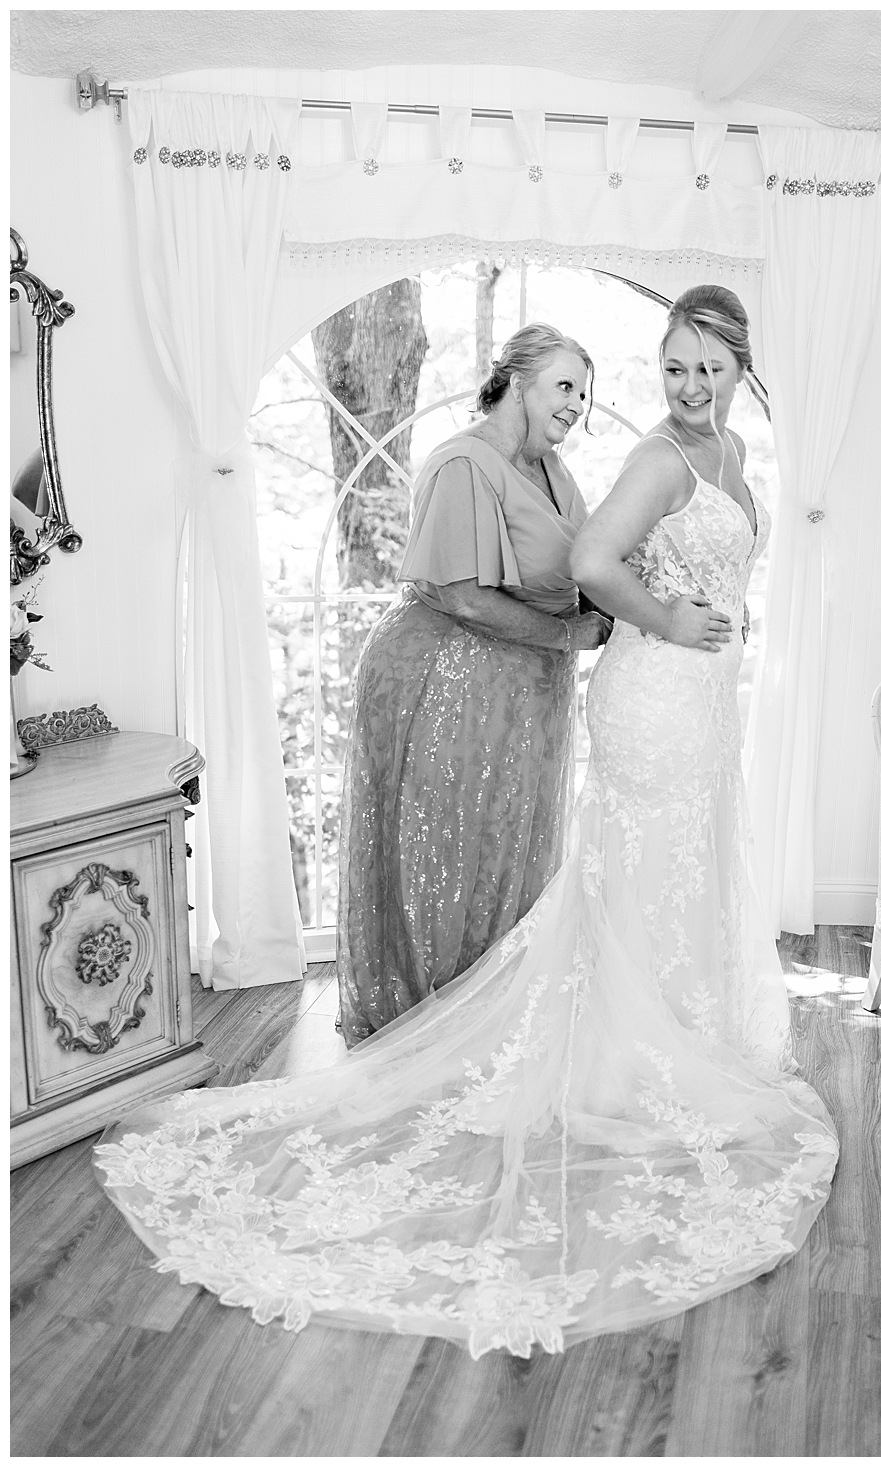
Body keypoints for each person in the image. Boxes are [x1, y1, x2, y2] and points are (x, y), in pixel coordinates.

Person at [95, 286, 835, 1360]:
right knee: (629, 869)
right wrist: (665, 622)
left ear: (739, 372)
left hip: (678, 699)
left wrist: (710, 605)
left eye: (708, 369)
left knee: (669, 870)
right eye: (673, 366)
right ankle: (616, 1060)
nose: (687, 385)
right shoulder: (634, 458)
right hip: (618, 695)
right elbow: (586, 569)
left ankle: (666, 1034)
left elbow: (656, 562)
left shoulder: (693, 456)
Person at [336, 323, 612, 1043]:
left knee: (507, 848)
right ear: (517, 382)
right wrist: (569, 637)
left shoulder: (552, 470)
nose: (576, 404)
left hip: (523, 686)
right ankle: (438, 1017)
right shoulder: (464, 464)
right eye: (564, 386)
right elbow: (462, 596)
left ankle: (493, 1010)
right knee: (450, 849)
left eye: (583, 393)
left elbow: (585, 566)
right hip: (449, 679)